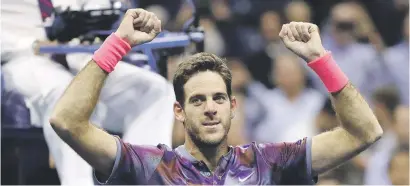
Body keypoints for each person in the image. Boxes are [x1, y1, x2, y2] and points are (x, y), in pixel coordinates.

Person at [49, 8, 383, 185]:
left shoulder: (269, 163)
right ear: (178, 111)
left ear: (232, 106)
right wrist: (118, 43)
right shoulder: (149, 167)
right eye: (197, 100)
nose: (210, 108)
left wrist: (319, 59)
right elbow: (66, 121)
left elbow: (364, 133)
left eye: (218, 99)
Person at [1, 0, 175, 184]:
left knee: (153, 90)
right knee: (66, 95)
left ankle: (144, 179)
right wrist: (31, 44)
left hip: (78, 52)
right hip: (23, 57)